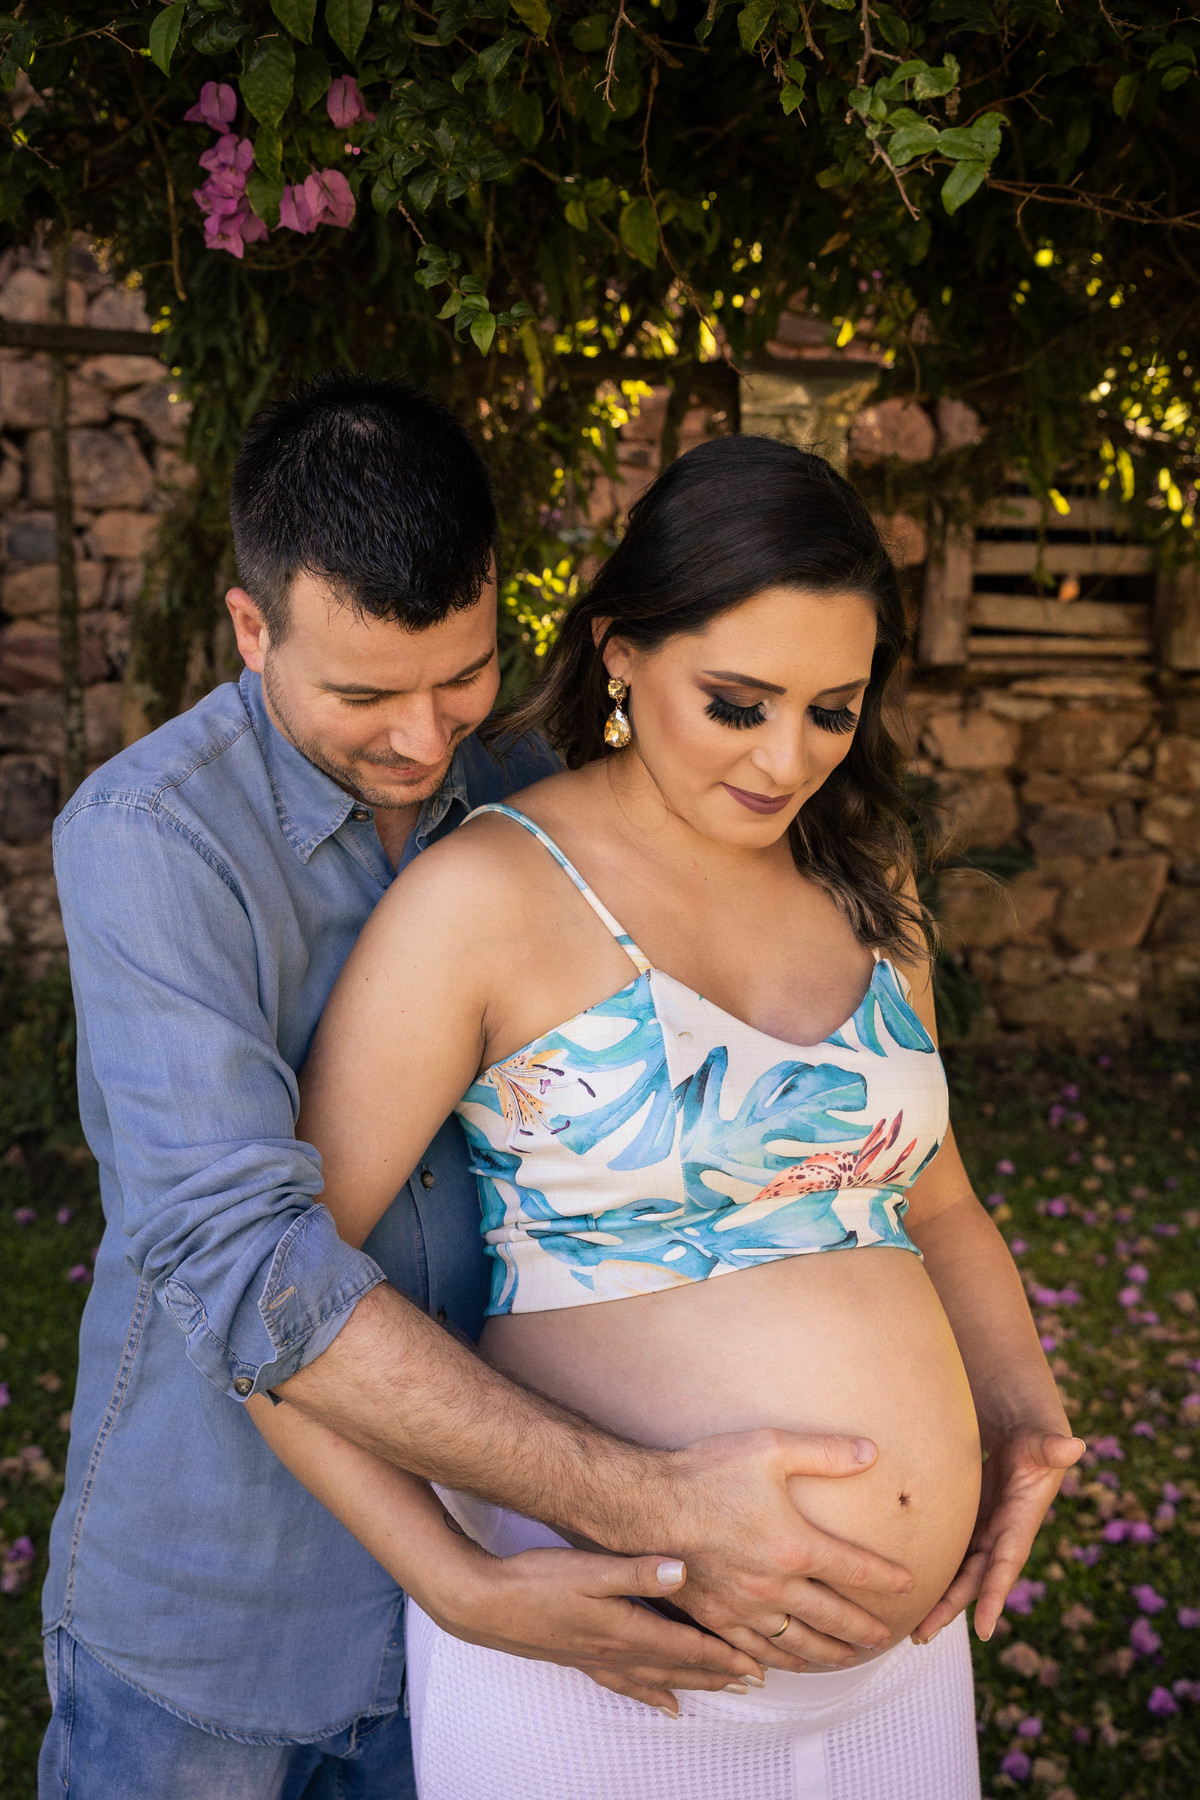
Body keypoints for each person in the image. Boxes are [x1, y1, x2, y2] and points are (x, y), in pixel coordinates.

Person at [41, 379, 918, 1800]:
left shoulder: (524, 778)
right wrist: (495, 1558)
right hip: (228, 1591)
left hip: (519, 1575)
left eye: (459, 675)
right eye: (362, 695)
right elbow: (244, 1260)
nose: (421, 739)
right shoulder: (152, 837)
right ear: (252, 628)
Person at [264, 435, 1085, 1799]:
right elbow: (275, 1296)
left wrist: (1018, 1403)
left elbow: (935, 1201)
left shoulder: (865, 874)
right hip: (606, 1664)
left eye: (833, 711)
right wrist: (454, 1579)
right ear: (623, 652)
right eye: (738, 703)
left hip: (902, 1675)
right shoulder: (488, 895)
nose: (787, 758)